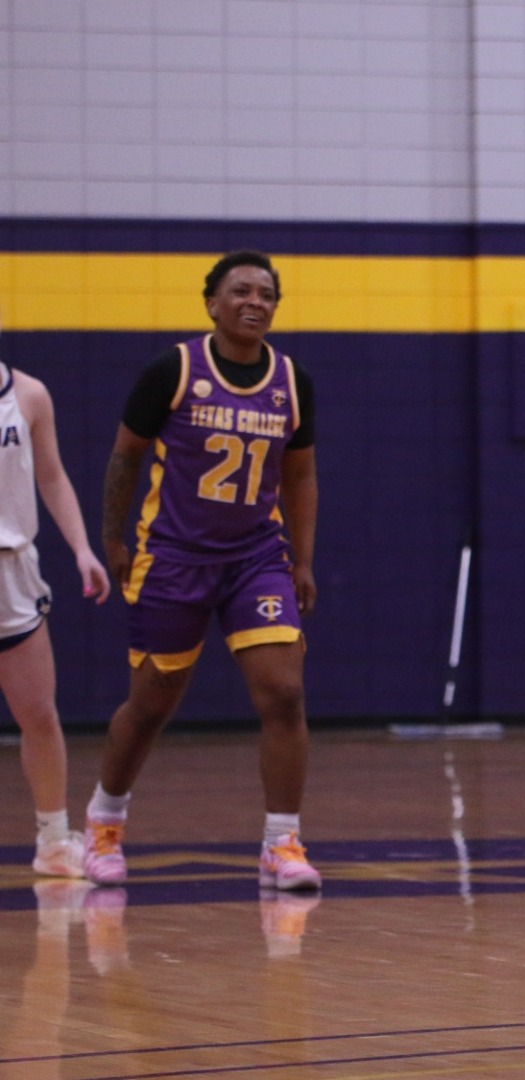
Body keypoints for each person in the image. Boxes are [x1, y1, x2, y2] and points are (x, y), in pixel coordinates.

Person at [85, 251, 321, 893]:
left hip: (255, 560)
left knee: (284, 693)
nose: (255, 302)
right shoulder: (174, 369)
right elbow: (124, 458)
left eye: (267, 294)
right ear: (212, 302)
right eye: (240, 290)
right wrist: (112, 538)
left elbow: (299, 474)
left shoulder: (291, 380)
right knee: (152, 702)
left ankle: (282, 842)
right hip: (174, 557)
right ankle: (105, 821)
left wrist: (301, 559)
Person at [0, 360, 110, 877]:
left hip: (12, 569)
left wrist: (82, 549)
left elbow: (52, 475)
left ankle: (53, 840)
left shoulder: (30, 394)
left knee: (39, 713)